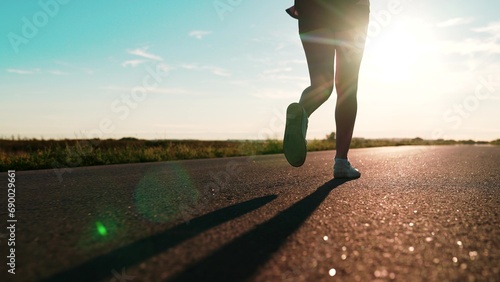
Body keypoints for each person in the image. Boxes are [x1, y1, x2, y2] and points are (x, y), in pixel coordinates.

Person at [283, 0, 370, 179]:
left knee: (321, 85)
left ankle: (302, 113)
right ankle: (341, 162)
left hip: (311, 9)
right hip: (351, 10)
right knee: (347, 88)